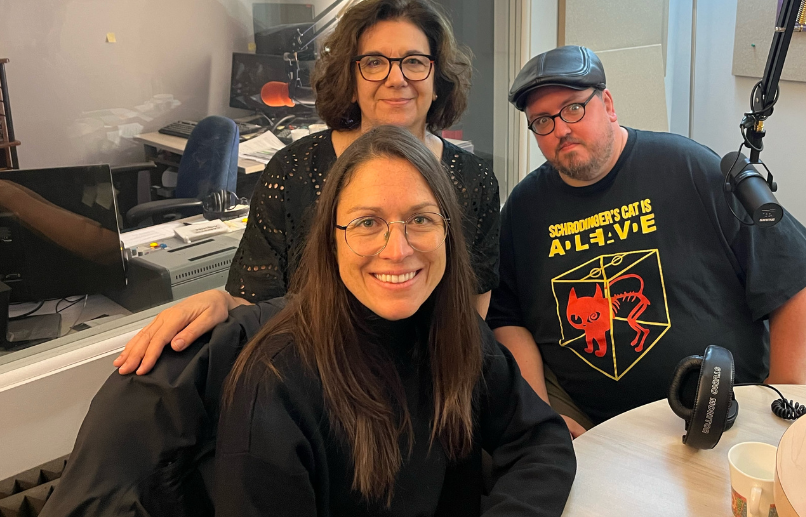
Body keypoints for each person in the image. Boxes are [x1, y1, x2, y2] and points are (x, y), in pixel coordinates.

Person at [114, 0, 500, 375]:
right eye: (375, 62)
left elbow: (469, 319)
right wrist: (223, 304)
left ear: (438, 81)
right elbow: (254, 303)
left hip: (430, 385)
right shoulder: (293, 171)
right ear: (351, 79)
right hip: (314, 385)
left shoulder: (473, 181)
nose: (395, 78)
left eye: (414, 62)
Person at [214, 125, 575, 515]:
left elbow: (541, 439)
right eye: (367, 223)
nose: (397, 251)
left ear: (448, 232)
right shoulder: (273, 386)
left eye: (420, 220)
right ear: (331, 241)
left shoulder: (455, 328)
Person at [486, 45, 806, 438]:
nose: (561, 129)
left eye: (572, 109)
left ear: (608, 104)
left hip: (721, 418)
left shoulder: (688, 167)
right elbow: (506, 317)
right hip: (594, 432)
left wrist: (777, 399)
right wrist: (541, 417)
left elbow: (794, 273)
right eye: (542, 121)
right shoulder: (523, 210)